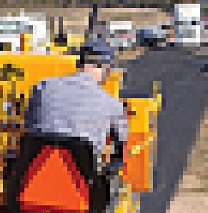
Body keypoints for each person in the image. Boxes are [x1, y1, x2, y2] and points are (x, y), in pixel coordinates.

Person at [22, 37, 128, 166]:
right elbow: (120, 146)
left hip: (35, 176)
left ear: (79, 63)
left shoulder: (42, 86)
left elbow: (28, 125)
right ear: (106, 68)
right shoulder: (112, 105)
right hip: (83, 180)